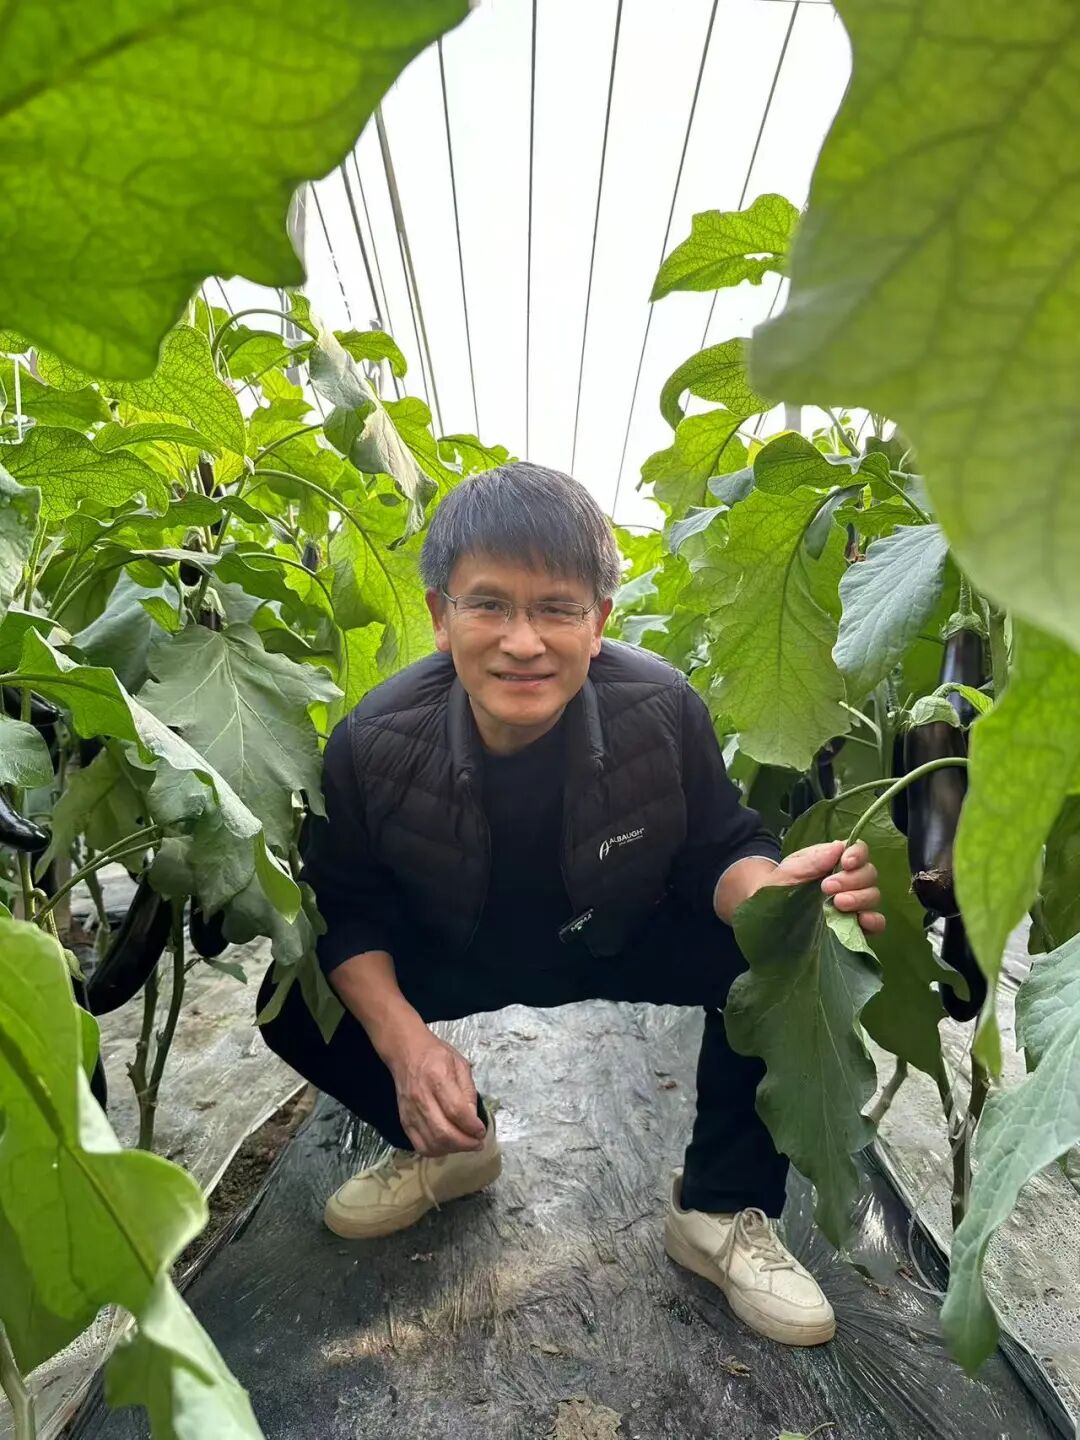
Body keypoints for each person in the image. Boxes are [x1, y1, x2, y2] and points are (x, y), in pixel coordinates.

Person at [258, 462, 884, 1349]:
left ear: (599, 623)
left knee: (769, 952)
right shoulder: (371, 741)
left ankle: (719, 1211)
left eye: (557, 608)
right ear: (440, 616)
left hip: (616, 933)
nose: (524, 642)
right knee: (294, 1002)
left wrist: (771, 896)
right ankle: (451, 1147)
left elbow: (719, 849)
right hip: (456, 946)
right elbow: (347, 907)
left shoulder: (662, 709)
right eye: (489, 605)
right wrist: (407, 1047)